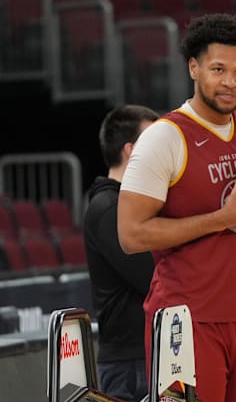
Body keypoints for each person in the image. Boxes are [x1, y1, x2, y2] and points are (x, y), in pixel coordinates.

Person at [117, 12, 236, 402]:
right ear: (193, 68)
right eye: (218, 69)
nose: (231, 81)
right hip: (185, 321)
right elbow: (130, 235)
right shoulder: (164, 137)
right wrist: (223, 218)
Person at [84, 104, 159, 401]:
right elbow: (153, 275)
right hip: (131, 363)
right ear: (131, 151)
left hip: (147, 355)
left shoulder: (131, 205)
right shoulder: (109, 209)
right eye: (155, 143)